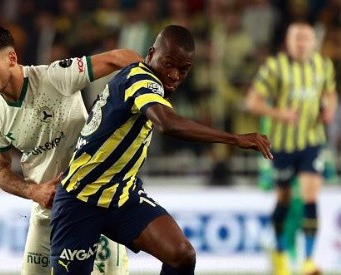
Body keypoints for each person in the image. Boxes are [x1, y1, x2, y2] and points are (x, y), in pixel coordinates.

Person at [50, 24, 273, 275]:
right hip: (81, 199)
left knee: (181, 255)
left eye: (184, 69)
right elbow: (167, 123)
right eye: (168, 64)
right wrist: (235, 139)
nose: (175, 75)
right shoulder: (141, 79)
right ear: (150, 53)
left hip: (122, 196)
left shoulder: (143, 80)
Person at [0, 24, 143, 275]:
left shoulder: (54, 78)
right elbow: (1, 172)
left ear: (12, 59)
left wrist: (152, 90)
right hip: (46, 211)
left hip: (92, 205)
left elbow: (120, 57)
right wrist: (34, 191)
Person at [245, 22, 337, 275]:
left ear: (313, 42)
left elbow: (331, 93)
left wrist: (329, 110)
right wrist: (280, 114)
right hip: (283, 144)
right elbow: (252, 102)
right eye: (297, 38)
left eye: (306, 38)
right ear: (288, 41)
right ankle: (281, 253)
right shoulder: (275, 68)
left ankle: (308, 260)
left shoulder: (323, 65)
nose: (302, 43)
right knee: (284, 198)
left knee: (310, 195)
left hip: (311, 141)